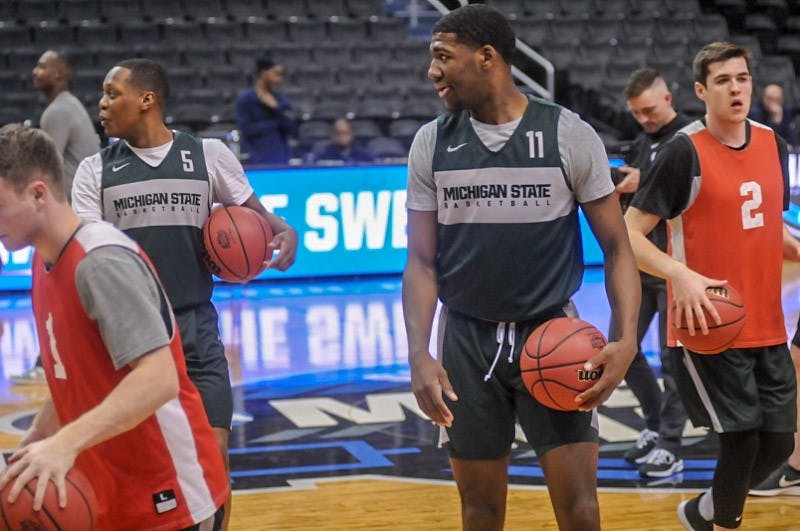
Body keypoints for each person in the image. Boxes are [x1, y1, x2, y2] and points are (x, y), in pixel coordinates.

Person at [402, 5, 640, 530]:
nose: (432, 70)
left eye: (443, 56)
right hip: (465, 341)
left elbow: (619, 249)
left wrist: (625, 340)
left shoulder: (567, 134)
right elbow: (420, 261)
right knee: (479, 510)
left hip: (553, 331)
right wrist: (418, 354)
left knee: (579, 509)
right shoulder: (432, 142)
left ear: (486, 57)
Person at [71, 58, 299, 530]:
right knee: (139, 470)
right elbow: (86, 259)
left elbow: (253, 213)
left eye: (113, 93)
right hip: (131, 339)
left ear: (147, 100)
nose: (103, 104)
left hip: (196, 327)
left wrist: (283, 230)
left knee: (214, 461)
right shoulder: (95, 171)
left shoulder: (208, 155)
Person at [0, 124, 228, 530]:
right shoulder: (42, 258)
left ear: (38, 194)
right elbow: (77, 375)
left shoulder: (99, 261)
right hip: (113, 495)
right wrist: (37, 439)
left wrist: (66, 441)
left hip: (169, 496)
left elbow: (158, 380)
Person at [625, 41, 796, 530]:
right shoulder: (683, 153)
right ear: (701, 91)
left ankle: (704, 512)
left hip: (767, 323)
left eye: (741, 78)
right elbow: (630, 235)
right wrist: (680, 274)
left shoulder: (773, 144)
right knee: (741, 438)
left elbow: (767, 227)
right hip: (708, 325)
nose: (735, 88)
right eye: (723, 81)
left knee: (780, 443)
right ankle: (721, 523)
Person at [613, 68, 692, 480]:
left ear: (667, 98)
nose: (643, 119)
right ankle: (655, 422)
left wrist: (646, 180)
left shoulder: (691, 139)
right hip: (638, 263)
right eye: (636, 114)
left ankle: (671, 445)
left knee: (671, 357)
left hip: (672, 264)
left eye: (648, 111)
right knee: (619, 347)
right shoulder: (645, 144)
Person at [9, 50, 102, 386]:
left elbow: (43, 170)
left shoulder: (57, 111)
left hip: (72, 212)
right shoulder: (67, 105)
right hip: (84, 209)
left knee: (54, 288)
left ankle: (49, 362)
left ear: (61, 72)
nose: (35, 72)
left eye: (42, 66)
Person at [235, 53, 296, 165]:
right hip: (257, 157)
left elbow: (292, 128)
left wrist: (276, 108)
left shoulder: (280, 99)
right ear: (264, 73)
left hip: (281, 157)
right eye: (276, 74)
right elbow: (246, 129)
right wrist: (274, 124)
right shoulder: (246, 99)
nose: (280, 79)